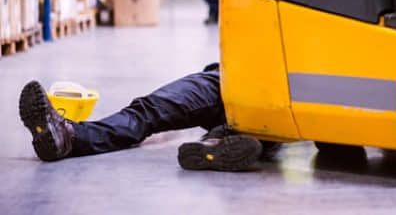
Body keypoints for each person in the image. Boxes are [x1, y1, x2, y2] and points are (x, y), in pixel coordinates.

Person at [18, 63, 276, 171]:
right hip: (227, 75)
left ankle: (215, 143)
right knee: (148, 108)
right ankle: (66, 136)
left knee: (264, 124)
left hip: (271, 96)